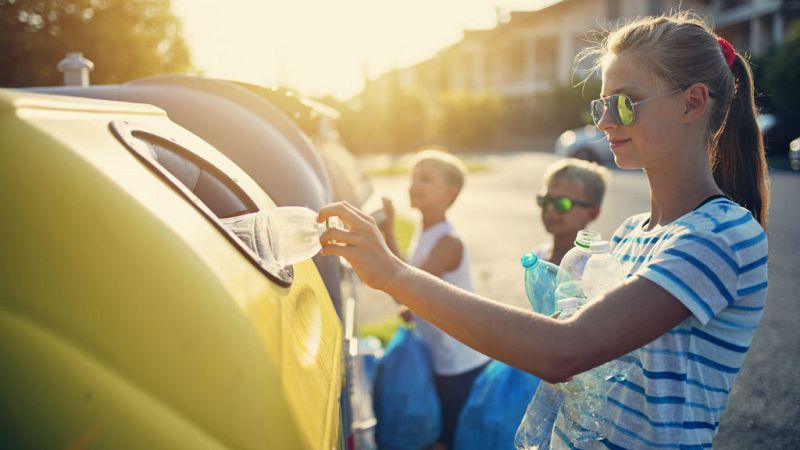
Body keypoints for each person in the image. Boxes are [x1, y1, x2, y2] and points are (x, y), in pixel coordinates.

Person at [319, 11, 768, 449]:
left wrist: (393, 274)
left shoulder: (722, 236)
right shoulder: (633, 231)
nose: (604, 122)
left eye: (625, 104)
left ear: (692, 103)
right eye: (601, 104)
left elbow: (561, 352)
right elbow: (579, 361)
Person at [376, 149, 490, 450]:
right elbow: (406, 278)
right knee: (438, 432)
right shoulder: (424, 231)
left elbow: (407, 286)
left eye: (426, 179)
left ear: (449, 194)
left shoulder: (448, 241)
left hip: (458, 361)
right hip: (439, 355)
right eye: (413, 178)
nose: (414, 185)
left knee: (449, 437)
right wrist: (388, 230)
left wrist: (409, 304)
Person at [533, 158, 610, 264]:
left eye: (562, 204)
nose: (549, 208)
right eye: (545, 200)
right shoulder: (538, 255)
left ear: (593, 213)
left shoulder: (593, 266)